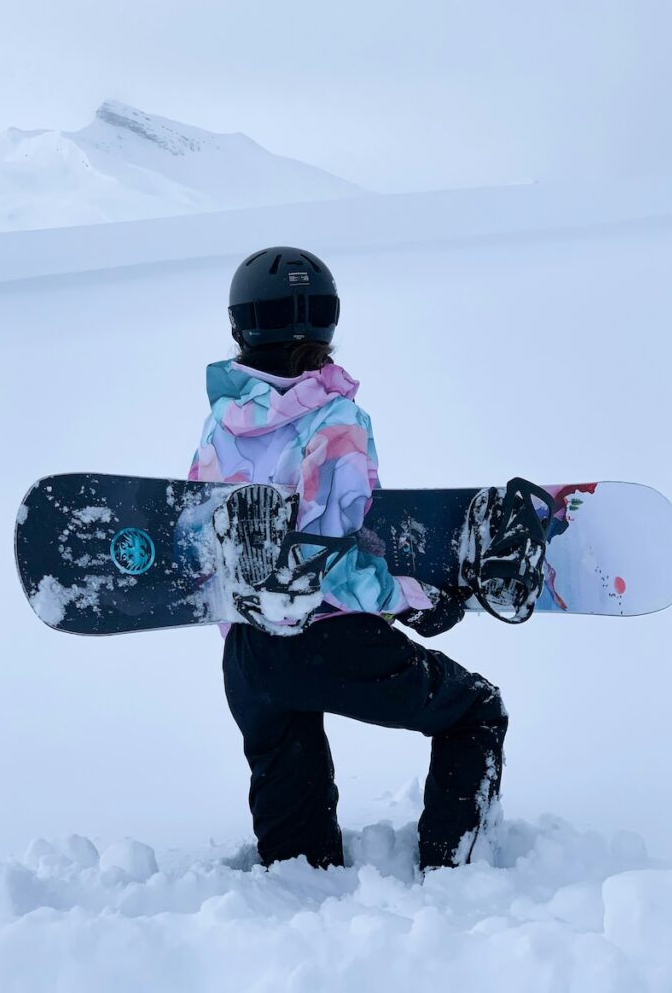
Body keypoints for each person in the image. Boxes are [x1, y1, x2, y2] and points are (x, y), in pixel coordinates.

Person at [188, 246, 508, 872]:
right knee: (474, 711)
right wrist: (411, 601)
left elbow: (209, 536)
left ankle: (297, 905)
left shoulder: (220, 424)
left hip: (248, 654)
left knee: (296, 847)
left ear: (241, 324)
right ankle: (456, 872)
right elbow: (333, 556)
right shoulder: (336, 421)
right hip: (326, 638)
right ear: (328, 321)